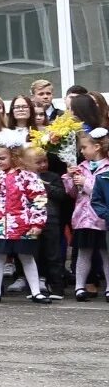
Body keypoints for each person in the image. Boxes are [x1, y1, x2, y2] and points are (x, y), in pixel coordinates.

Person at [0, 143, 49, 302]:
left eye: (2, 158)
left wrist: (37, 223)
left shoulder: (27, 175)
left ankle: (36, 291)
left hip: (22, 223)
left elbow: (38, 199)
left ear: (14, 156)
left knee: (27, 256)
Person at [65, 128, 109, 299]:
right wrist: (70, 179)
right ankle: (79, 287)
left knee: (106, 254)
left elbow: (102, 192)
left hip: (103, 219)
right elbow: (73, 194)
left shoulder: (107, 167)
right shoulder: (82, 167)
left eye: (84, 147)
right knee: (84, 253)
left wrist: (86, 182)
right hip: (84, 219)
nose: (81, 151)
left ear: (96, 147)